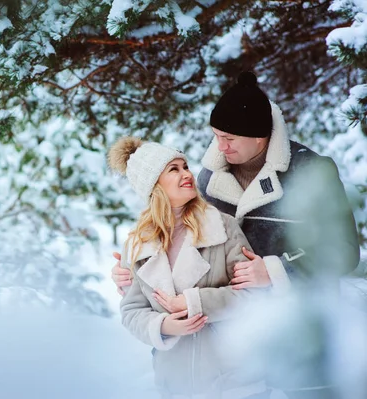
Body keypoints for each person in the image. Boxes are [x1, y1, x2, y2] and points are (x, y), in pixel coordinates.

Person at [111, 72, 361, 398]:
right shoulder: (208, 178)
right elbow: (184, 249)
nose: (220, 145)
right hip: (229, 355)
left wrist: (275, 271)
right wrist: (139, 275)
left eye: (229, 137)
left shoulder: (310, 171)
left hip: (298, 338)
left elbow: (343, 251)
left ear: (259, 136)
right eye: (216, 135)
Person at [109, 136, 266, 398]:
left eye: (185, 166)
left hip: (235, 381)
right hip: (175, 384)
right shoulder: (138, 244)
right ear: (153, 184)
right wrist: (163, 326)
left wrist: (194, 302)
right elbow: (132, 311)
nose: (186, 174)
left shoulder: (222, 227)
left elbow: (252, 296)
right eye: (174, 169)